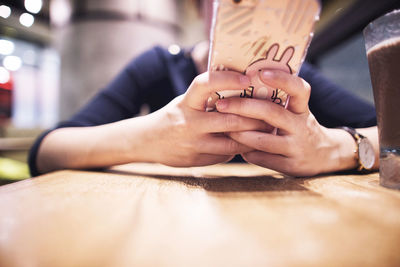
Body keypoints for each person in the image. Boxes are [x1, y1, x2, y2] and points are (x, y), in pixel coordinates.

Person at [28, 0, 379, 177]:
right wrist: (149, 139)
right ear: (202, 9)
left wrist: (333, 147)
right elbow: (45, 152)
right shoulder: (159, 66)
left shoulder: (296, 80)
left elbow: (390, 138)